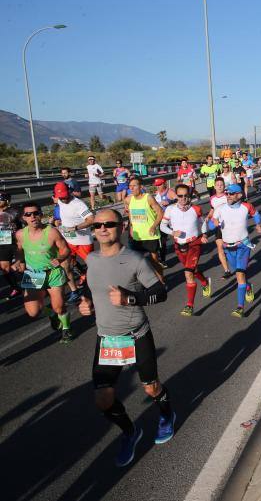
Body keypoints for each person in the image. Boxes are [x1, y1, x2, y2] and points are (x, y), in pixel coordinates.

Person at [77, 208, 175, 467]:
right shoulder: (92, 260)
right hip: (108, 338)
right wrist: (87, 303)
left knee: (151, 388)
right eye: (97, 225)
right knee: (103, 400)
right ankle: (131, 432)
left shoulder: (134, 259)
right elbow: (92, 290)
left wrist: (130, 298)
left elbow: (160, 292)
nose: (102, 229)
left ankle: (166, 415)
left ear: (121, 227)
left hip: (136, 335)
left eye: (109, 224)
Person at [14, 201, 72, 342]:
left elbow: (65, 249)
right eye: (28, 214)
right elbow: (19, 251)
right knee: (33, 312)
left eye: (36, 213)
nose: (33, 216)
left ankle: (66, 329)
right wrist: (19, 261)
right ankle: (51, 314)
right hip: (33, 273)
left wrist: (59, 258)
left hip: (53, 273)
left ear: (41, 215)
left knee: (59, 307)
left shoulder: (51, 232)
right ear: (24, 218)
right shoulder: (20, 234)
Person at [211, 183, 261, 317]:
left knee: (240, 274)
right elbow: (212, 221)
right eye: (227, 193)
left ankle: (240, 307)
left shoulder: (246, 206)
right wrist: (214, 224)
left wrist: (258, 224)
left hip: (243, 246)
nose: (228, 196)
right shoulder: (221, 209)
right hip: (228, 247)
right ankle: (248, 286)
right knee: (238, 274)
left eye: (231, 194)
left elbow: (256, 213)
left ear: (239, 195)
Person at [160, 184, 211, 316]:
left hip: (194, 244)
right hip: (179, 246)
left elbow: (203, 223)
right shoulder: (170, 210)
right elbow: (162, 226)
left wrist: (204, 235)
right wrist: (172, 232)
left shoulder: (196, 209)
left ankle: (189, 305)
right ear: (176, 196)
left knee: (188, 273)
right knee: (192, 270)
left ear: (190, 196)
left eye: (186, 196)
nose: (183, 199)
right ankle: (205, 282)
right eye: (180, 196)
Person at [53, 181, 95, 304]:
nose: (64, 199)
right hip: (68, 241)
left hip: (83, 242)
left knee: (93, 267)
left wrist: (76, 227)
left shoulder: (79, 204)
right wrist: (57, 222)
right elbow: (61, 214)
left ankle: (95, 288)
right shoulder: (59, 200)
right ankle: (74, 291)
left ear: (70, 191)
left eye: (66, 196)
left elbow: (91, 219)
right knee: (65, 266)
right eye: (61, 197)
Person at [124, 177, 165, 281]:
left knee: (154, 262)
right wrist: (131, 227)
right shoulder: (128, 200)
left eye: (134, 186)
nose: (131, 188)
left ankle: (161, 281)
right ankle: (144, 283)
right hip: (137, 236)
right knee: (138, 262)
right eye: (130, 186)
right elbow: (130, 214)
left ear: (141, 186)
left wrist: (154, 226)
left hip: (150, 235)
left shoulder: (148, 198)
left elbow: (160, 212)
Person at [206, 178, 233, 279]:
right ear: (214, 186)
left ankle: (237, 265)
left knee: (230, 247)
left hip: (229, 225)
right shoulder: (212, 198)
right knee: (220, 247)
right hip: (218, 226)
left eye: (221, 184)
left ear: (224, 186)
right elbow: (212, 209)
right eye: (217, 184)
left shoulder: (228, 196)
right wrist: (208, 217)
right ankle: (227, 270)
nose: (220, 186)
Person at [0, 192, 21, 299]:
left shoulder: (13, 212)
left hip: (11, 241)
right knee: (4, 268)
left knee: (21, 267)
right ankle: (16, 287)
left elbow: (19, 227)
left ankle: (36, 286)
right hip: (2, 242)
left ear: (7, 201)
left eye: (0, 199)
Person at [153, 178, 176, 265]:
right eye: (156, 185)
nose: (158, 187)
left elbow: (179, 200)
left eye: (159, 185)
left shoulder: (170, 192)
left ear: (164, 184)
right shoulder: (156, 193)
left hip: (171, 219)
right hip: (161, 219)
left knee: (177, 237)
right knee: (162, 240)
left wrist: (169, 201)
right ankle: (163, 260)